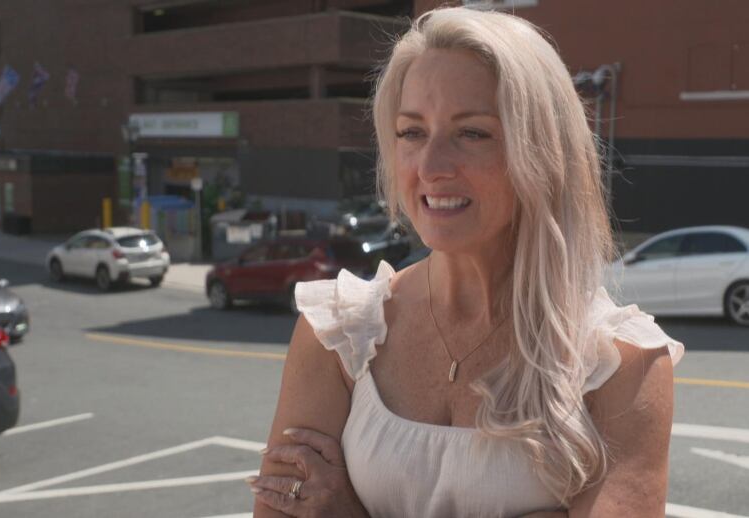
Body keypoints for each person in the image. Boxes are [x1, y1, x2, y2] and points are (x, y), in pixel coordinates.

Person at [247, 6, 684, 518]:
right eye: (411, 132)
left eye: (472, 133)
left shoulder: (623, 363)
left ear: (543, 152)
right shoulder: (339, 333)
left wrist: (349, 511)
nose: (430, 167)